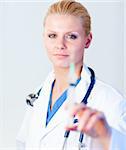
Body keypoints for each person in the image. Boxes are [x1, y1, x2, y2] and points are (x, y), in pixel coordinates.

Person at [16, 0, 126, 150]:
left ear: (88, 40)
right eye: (52, 35)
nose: (60, 44)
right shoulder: (38, 95)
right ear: (44, 38)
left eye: (71, 36)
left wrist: (106, 136)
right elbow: (22, 144)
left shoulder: (109, 101)